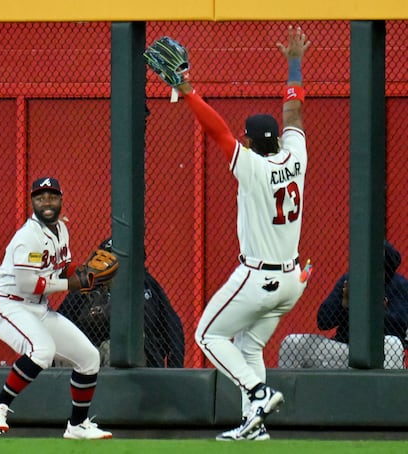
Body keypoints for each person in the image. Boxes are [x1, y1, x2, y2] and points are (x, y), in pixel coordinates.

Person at [148, 26, 311, 441]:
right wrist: (294, 64)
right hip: (292, 281)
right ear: (276, 140)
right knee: (249, 347)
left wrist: (186, 88)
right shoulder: (297, 155)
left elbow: (217, 131)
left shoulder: (253, 168)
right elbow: (294, 112)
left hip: (259, 277)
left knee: (207, 334)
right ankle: (253, 428)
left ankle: (258, 392)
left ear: (251, 143)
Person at [0, 176, 112, 439]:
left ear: (61, 200)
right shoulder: (27, 237)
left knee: (89, 358)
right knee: (42, 350)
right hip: (8, 305)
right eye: (40, 197)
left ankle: (77, 426)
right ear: (32, 201)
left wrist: (84, 274)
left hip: (38, 308)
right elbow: (27, 283)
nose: (46, 202)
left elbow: (61, 267)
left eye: (52, 196)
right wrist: (72, 284)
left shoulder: (61, 230)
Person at [279, 240, 408, 369]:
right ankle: (284, 388)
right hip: (344, 348)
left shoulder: (399, 285)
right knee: (292, 342)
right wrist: (345, 306)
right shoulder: (349, 281)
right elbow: (323, 322)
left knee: (393, 343)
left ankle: (388, 389)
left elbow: (401, 327)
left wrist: (377, 313)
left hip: (380, 350)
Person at [57, 238, 185, 368]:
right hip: (91, 351)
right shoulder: (87, 287)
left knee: (114, 349)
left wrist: (175, 369)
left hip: (135, 356)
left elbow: (173, 328)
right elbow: (61, 319)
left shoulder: (146, 284)